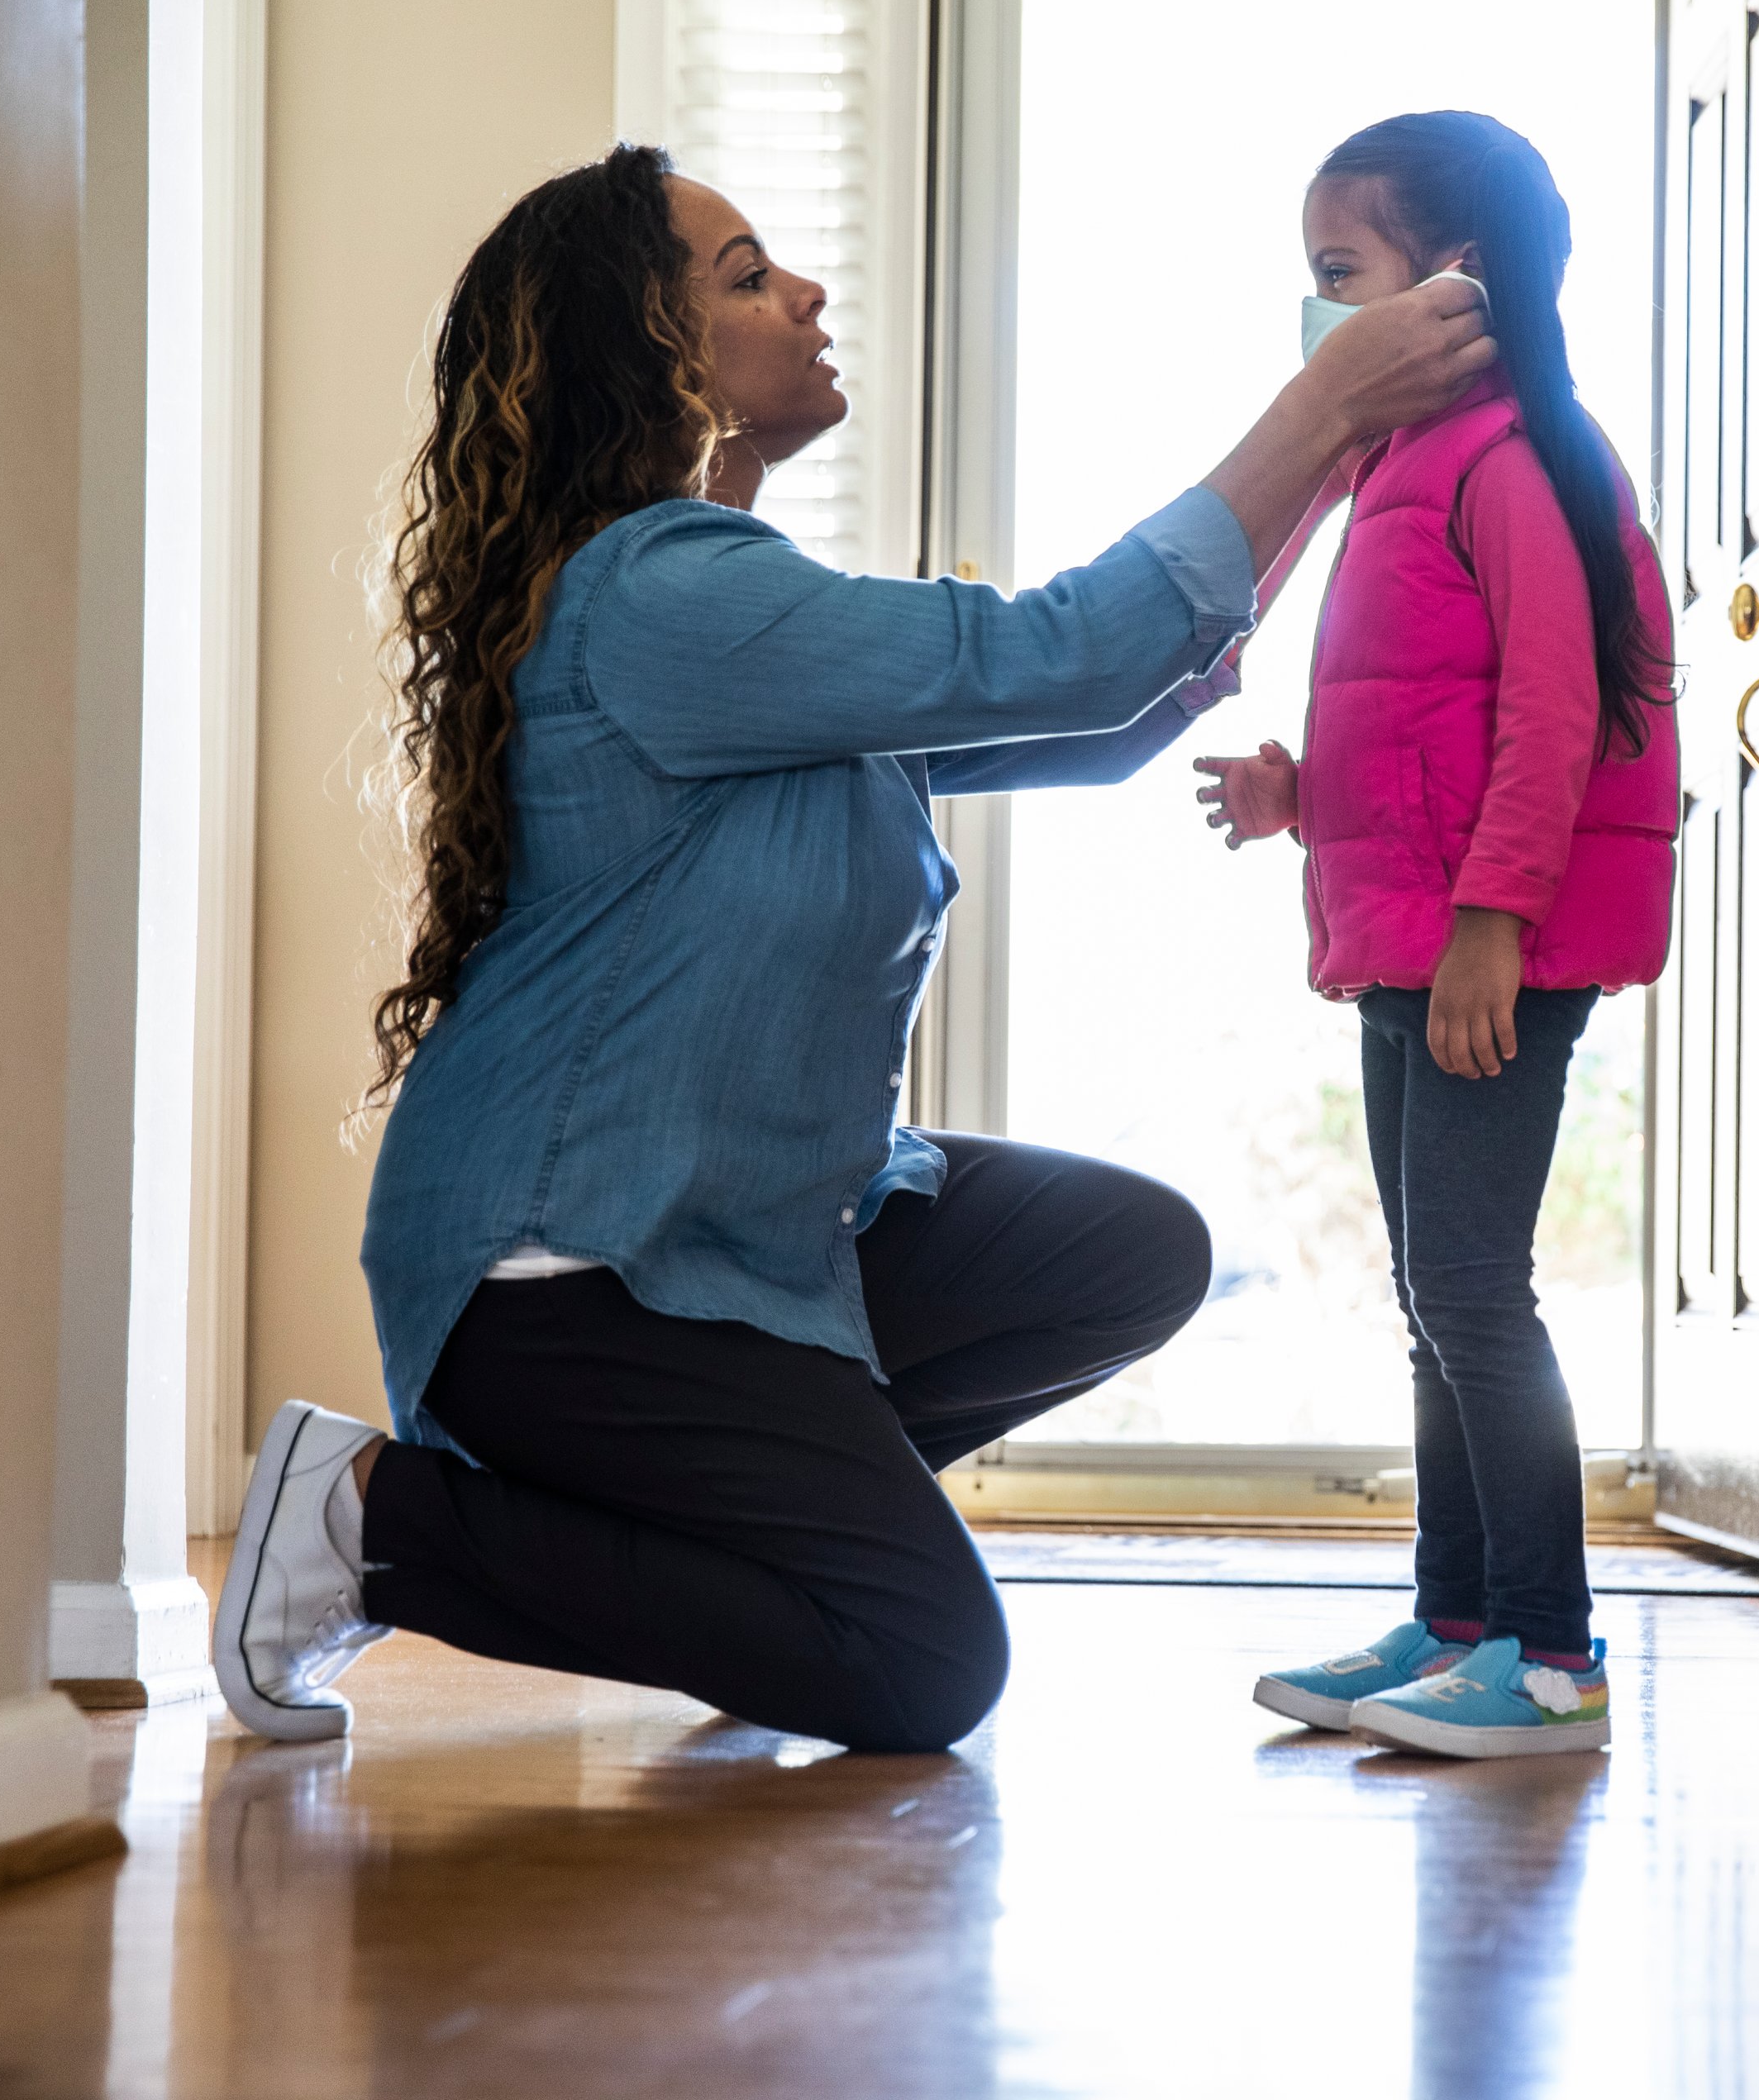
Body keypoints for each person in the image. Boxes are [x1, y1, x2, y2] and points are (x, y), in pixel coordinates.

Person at [209, 143, 1494, 1751]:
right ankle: (366, 1516)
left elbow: (1103, 707)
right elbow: (1066, 649)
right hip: (564, 1274)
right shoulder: (661, 596)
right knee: (920, 1664)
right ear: (647, 351)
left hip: (742, 1228)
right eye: (746, 275)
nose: (807, 294)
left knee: (1128, 1250)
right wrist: (1323, 409)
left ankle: (762, 1561)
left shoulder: (743, 621)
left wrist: (1343, 436)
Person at [1198, 113, 1678, 1760]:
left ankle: (1551, 1654)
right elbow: (1431, 723)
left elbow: (1553, 715)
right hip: (1411, 929)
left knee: (1476, 1286)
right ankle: (1456, 1616)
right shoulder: (1399, 465)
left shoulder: (1511, 453)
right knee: (1433, 1290)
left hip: (1490, 945)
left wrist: (1492, 923)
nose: (1319, 312)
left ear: (1452, 282)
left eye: (1338, 274)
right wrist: (1294, 789)